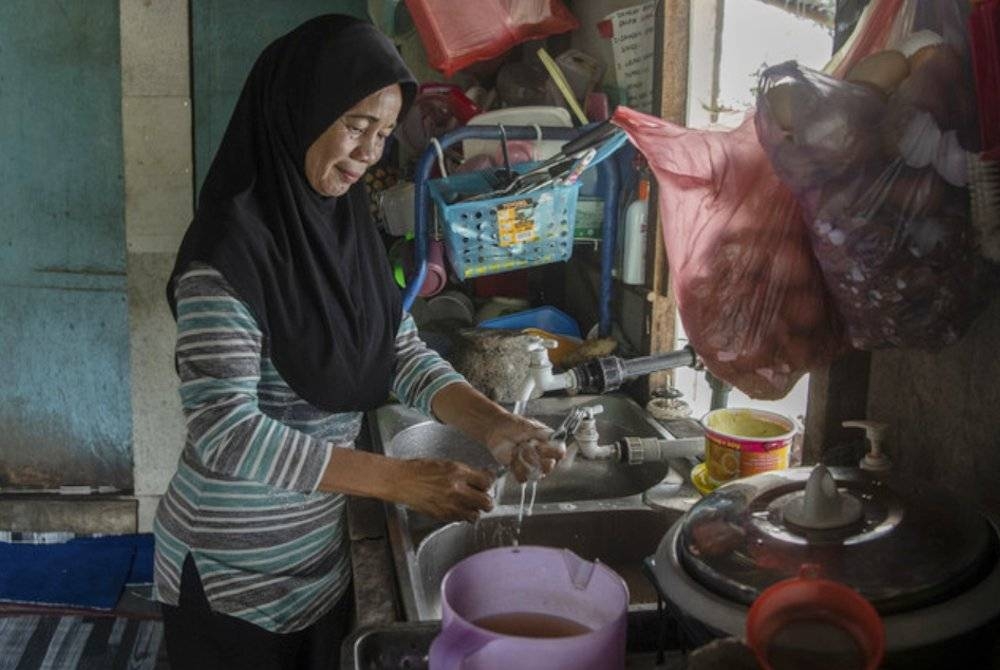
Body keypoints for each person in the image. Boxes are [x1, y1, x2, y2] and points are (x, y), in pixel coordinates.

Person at [153, 15, 563, 670]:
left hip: (317, 563)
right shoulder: (226, 252)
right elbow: (225, 431)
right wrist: (397, 479)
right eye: (354, 125)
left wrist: (497, 426)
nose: (369, 153)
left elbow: (396, 351)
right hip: (232, 577)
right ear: (300, 110)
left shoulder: (344, 223)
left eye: (381, 133)